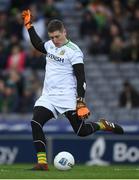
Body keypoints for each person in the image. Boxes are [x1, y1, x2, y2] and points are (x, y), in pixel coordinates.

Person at [22, 9, 124, 171]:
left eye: (57, 36)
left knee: (81, 131)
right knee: (35, 122)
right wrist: (29, 26)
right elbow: (37, 44)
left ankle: (103, 125)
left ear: (64, 32)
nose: (54, 40)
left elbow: (81, 77)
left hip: (68, 96)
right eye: (52, 37)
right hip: (48, 96)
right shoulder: (49, 45)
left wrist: (80, 101)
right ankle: (42, 163)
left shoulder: (74, 51)